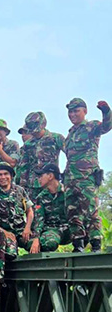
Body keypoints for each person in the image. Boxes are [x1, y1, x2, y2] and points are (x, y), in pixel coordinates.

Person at [63, 98, 111, 253]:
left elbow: (106, 126)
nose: (72, 114)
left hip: (86, 178)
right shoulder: (70, 133)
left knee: (90, 211)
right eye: (70, 111)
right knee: (72, 211)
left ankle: (96, 243)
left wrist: (106, 112)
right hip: (70, 179)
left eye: (76, 111)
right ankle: (78, 243)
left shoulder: (91, 126)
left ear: (85, 111)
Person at [15, 112, 65, 199]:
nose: (34, 133)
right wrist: (22, 187)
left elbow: (71, 155)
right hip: (32, 186)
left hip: (51, 183)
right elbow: (24, 166)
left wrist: (65, 176)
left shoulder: (56, 138)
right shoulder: (28, 144)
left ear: (43, 125)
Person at [0, 162, 34, 258]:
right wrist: (4, 232)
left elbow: (30, 211)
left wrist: (27, 228)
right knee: (10, 254)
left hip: (21, 231)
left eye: (6, 174)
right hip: (2, 232)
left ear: (11, 176)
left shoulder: (20, 190)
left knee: (38, 245)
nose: (3, 177)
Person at [30, 164, 69, 253]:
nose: (39, 179)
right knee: (48, 243)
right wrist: (36, 238)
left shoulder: (67, 192)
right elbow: (38, 220)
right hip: (52, 230)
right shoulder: (41, 197)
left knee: (85, 231)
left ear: (50, 176)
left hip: (70, 229)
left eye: (41, 176)